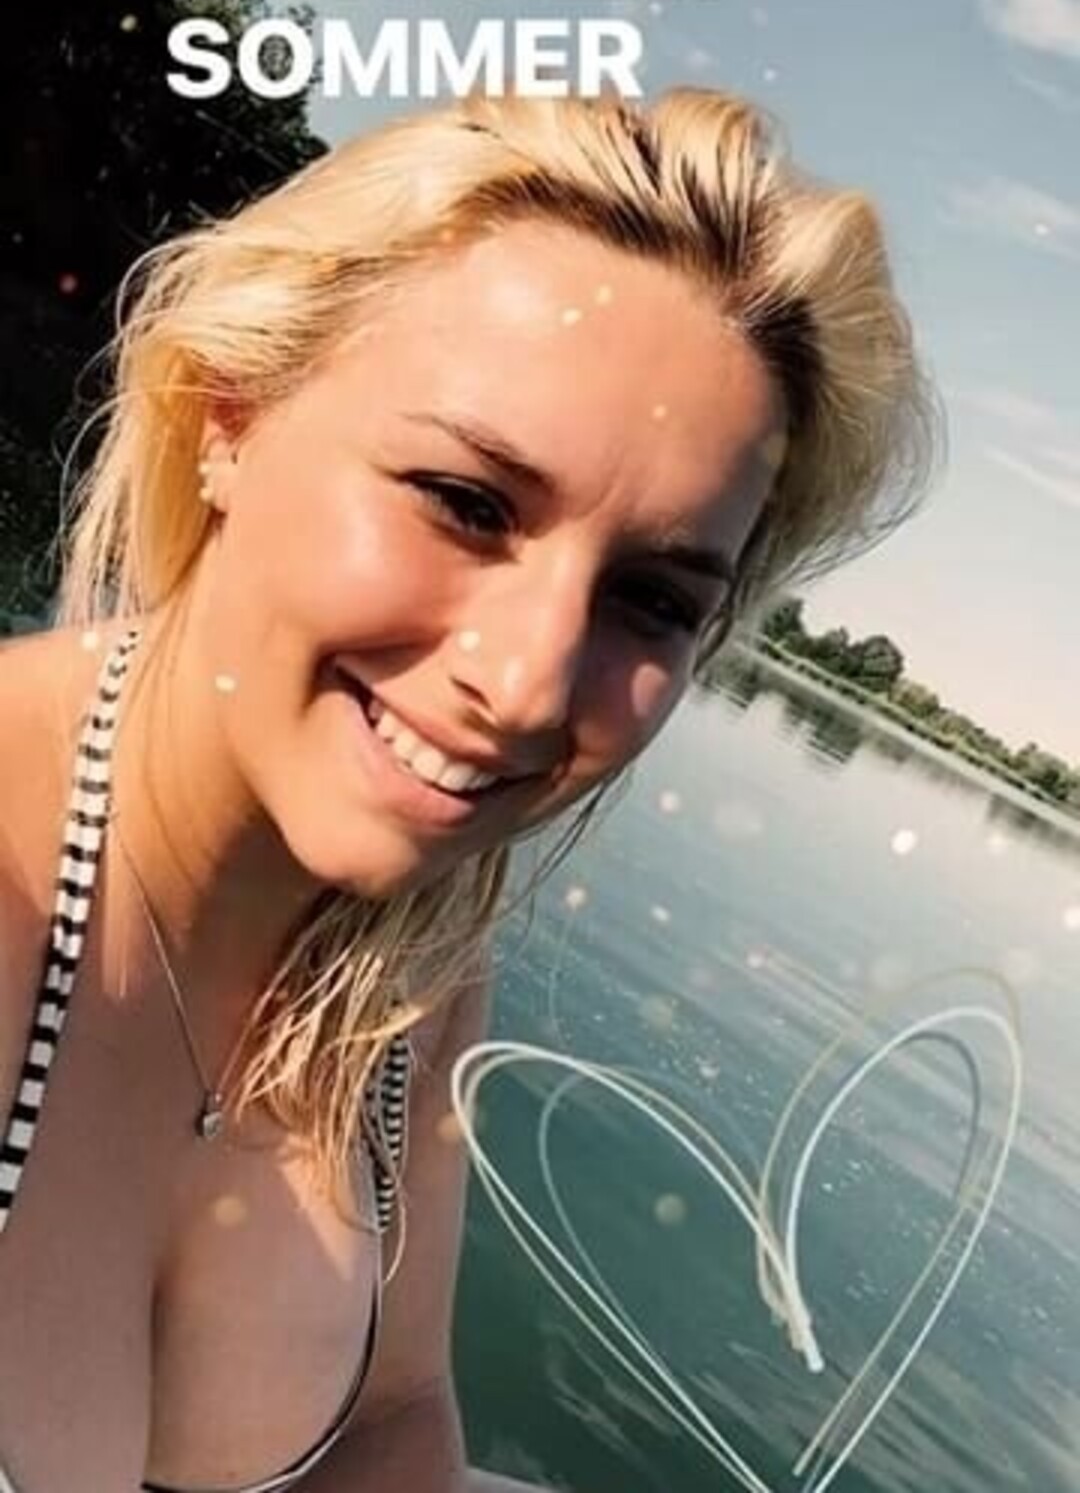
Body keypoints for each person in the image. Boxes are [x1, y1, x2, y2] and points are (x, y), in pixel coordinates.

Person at [0, 86, 942, 1492]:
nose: (528, 683)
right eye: (464, 500)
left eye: (652, 598)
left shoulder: (410, 969)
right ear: (228, 415)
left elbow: (394, 1408)